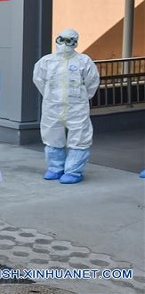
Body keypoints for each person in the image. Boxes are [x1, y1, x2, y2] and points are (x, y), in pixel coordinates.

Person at [33, 29, 100, 184]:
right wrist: (51, 96)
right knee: (52, 135)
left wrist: (81, 98)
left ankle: (73, 171)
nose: (64, 44)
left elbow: (92, 83)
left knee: (79, 137)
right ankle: (55, 168)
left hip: (77, 107)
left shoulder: (84, 61)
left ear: (75, 42)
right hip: (52, 106)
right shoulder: (46, 61)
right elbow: (39, 80)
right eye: (61, 39)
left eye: (69, 40)